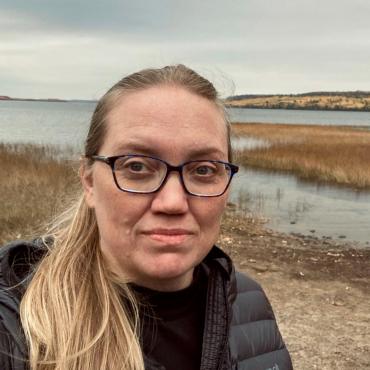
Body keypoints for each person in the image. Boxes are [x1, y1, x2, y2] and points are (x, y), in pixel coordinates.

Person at [0, 65, 293, 370]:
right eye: (137, 167)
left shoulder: (247, 302)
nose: (173, 202)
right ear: (88, 180)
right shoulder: (16, 320)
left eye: (204, 170)